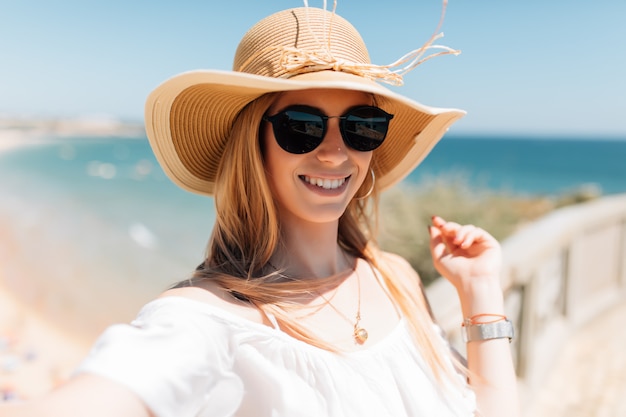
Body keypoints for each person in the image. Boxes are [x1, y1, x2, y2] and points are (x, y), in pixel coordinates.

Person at [1, 3, 519, 417]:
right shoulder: (210, 322)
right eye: (303, 125)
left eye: (361, 125)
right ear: (254, 145)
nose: (336, 152)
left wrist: (480, 293)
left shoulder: (397, 279)